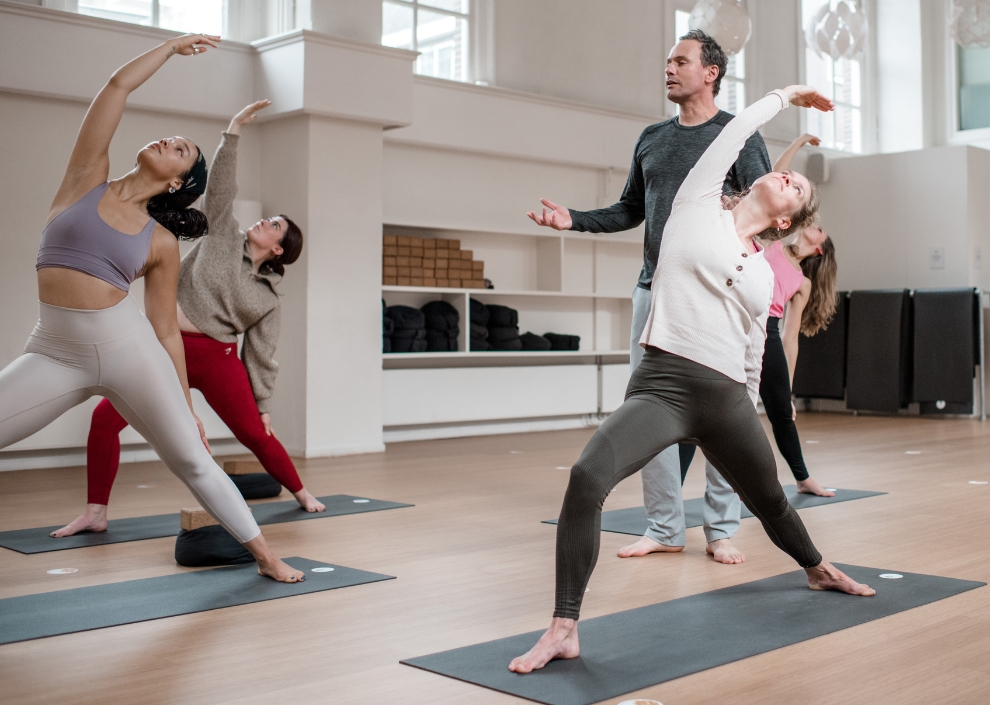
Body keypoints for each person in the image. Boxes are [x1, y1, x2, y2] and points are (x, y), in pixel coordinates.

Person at [509, 85, 874, 675]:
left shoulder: (764, 268)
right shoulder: (697, 203)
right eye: (789, 176)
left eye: (799, 188)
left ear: (786, 220)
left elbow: (756, 344)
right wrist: (784, 97)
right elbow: (733, 134)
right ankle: (563, 627)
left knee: (771, 500)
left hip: (727, 397)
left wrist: (750, 402)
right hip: (663, 388)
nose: (790, 179)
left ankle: (817, 568)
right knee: (586, 477)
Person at [0, 35, 303, 583]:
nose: (170, 142)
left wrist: (184, 402)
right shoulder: (83, 181)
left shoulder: (161, 240)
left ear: (178, 181)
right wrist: (166, 50)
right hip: (54, 352)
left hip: (127, 351)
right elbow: (115, 88)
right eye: (173, 139)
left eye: (182, 149)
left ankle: (268, 557)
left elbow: (165, 331)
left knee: (191, 460)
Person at [528, 30, 772, 565]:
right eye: (667, 61)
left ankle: (721, 527)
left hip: (718, 301)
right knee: (648, 408)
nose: (668, 68)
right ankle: (664, 526)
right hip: (653, 294)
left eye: (680, 61)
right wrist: (575, 220)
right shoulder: (652, 138)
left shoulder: (738, 136)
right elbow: (629, 209)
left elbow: (766, 211)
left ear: (710, 72)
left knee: (722, 416)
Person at [53, 100, 326, 538]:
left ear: (279, 249)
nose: (265, 221)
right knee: (105, 420)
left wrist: (264, 404)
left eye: (274, 224)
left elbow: (262, 354)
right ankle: (95, 511)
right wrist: (233, 129)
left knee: (256, 434)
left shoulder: (267, 299)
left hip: (218, 358)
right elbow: (221, 186)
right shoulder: (221, 235)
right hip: (162, 346)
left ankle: (301, 492)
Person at [757, 133, 839, 498]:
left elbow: (790, 337)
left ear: (819, 247)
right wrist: (799, 142)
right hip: (741, 323)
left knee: (781, 414)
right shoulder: (774, 240)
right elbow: (777, 174)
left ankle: (803, 477)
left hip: (768, 336)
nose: (813, 225)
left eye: (819, 229)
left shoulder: (801, 283)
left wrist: (787, 390)